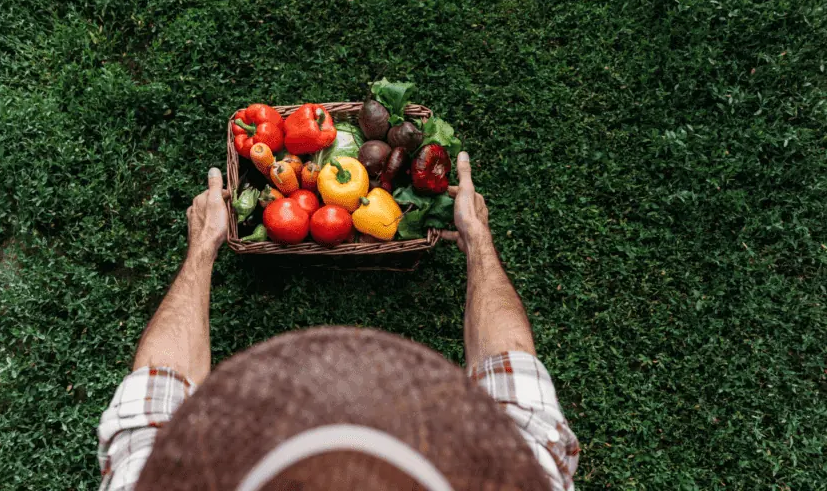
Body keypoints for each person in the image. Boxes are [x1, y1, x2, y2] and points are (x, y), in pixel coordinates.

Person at [98, 153, 580, 491]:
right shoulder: (524, 475)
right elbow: (513, 378)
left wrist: (204, 246)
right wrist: (477, 241)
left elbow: (156, 395)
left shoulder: (152, 481)